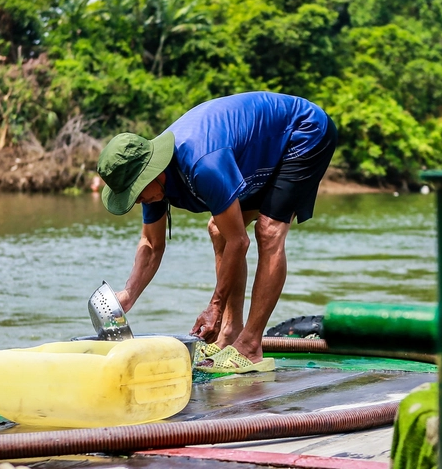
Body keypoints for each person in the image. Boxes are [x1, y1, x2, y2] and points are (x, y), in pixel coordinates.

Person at [97, 91, 337, 373]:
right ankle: (231, 333)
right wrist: (129, 294)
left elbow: (239, 242)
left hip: (303, 131)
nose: (137, 201)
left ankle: (251, 345)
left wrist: (215, 306)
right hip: (254, 148)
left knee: (268, 231)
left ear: (151, 172)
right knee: (218, 230)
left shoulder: (202, 165)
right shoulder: (152, 181)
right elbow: (151, 243)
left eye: (136, 193)